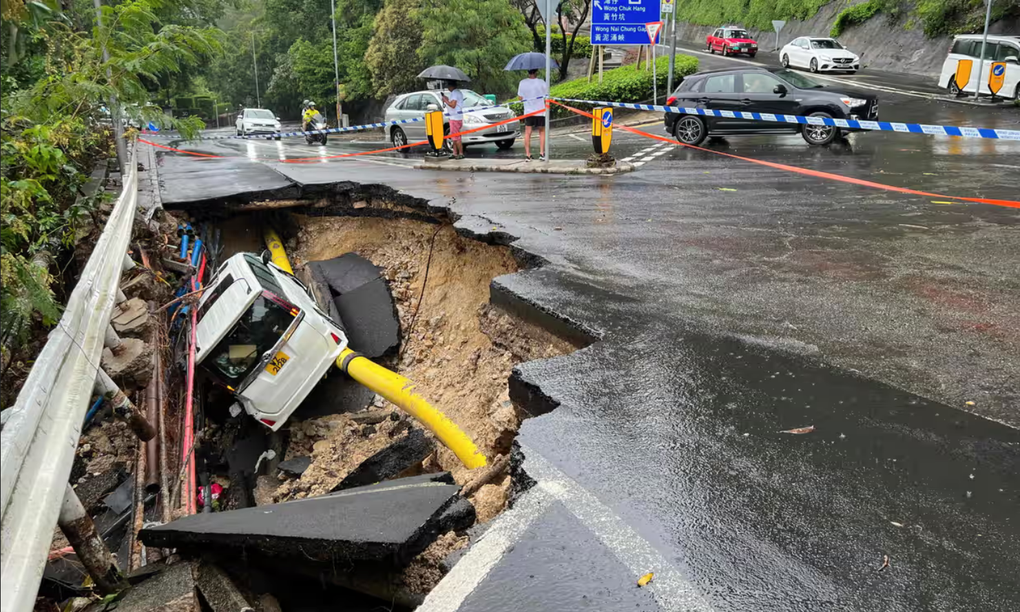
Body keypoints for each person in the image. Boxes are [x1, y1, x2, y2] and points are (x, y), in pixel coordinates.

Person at [517, 68, 549, 161]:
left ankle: (528, 155)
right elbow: (546, 94)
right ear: (536, 72)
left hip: (528, 111)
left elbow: (520, 97)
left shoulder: (522, 83)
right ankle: (542, 154)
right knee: (542, 132)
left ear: (528, 72)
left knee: (527, 133)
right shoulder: (541, 82)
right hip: (540, 111)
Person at [440, 81, 465, 160]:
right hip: (457, 117)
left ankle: (460, 153)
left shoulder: (454, 93)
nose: (447, 87)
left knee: (456, 137)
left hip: (454, 118)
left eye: (448, 86)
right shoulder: (458, 92)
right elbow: (454, 103)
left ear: (451, 86)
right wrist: (447, 99)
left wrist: (445, 100)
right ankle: (455, 153)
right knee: (454, 136)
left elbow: (453, 105)